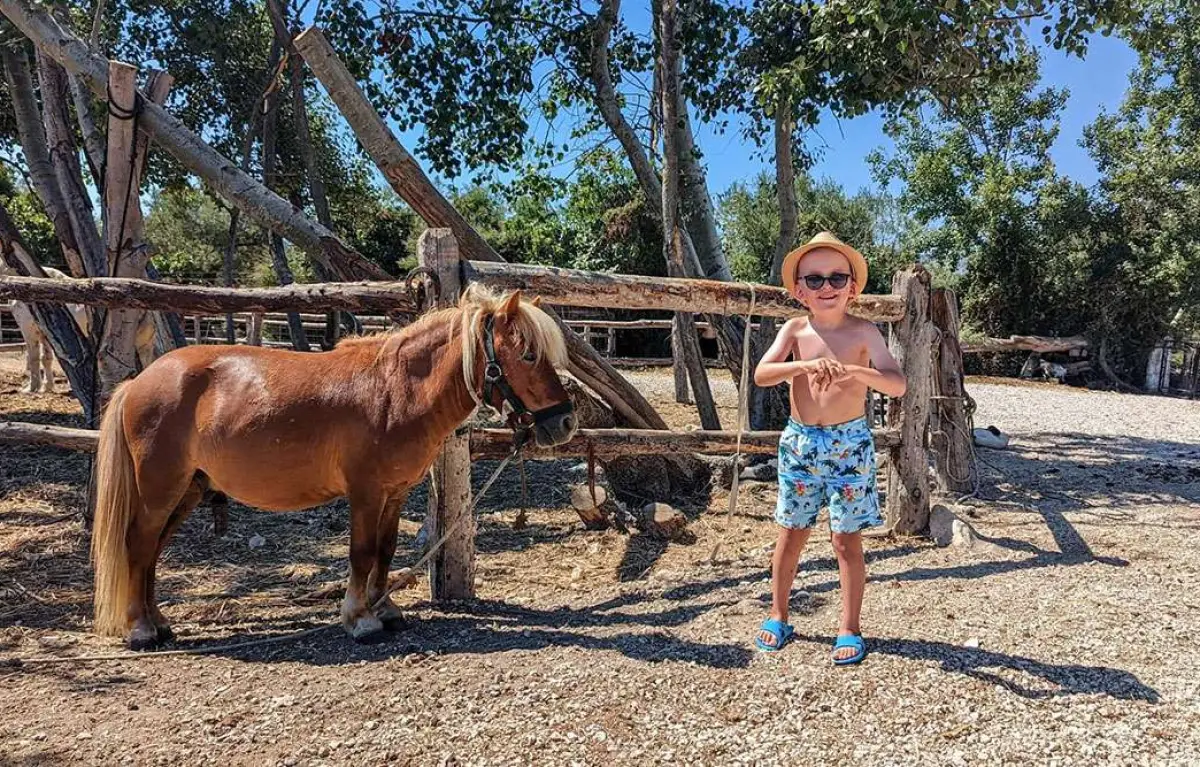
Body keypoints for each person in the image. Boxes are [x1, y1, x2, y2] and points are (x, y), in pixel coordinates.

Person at [752, 231, 907, 665]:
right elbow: (763, 374)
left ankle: (849, 627)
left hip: (849, 445)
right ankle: (779, 614)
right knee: (792, 533)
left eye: (836, 278)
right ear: (799, 289)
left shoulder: (864, 330)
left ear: (852, 287)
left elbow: (897, 383)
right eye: (815, 280)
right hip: (801, 443)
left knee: (846, 540)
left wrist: (855, 372)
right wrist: (805, 365)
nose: (826, 288)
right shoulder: (794, 328)